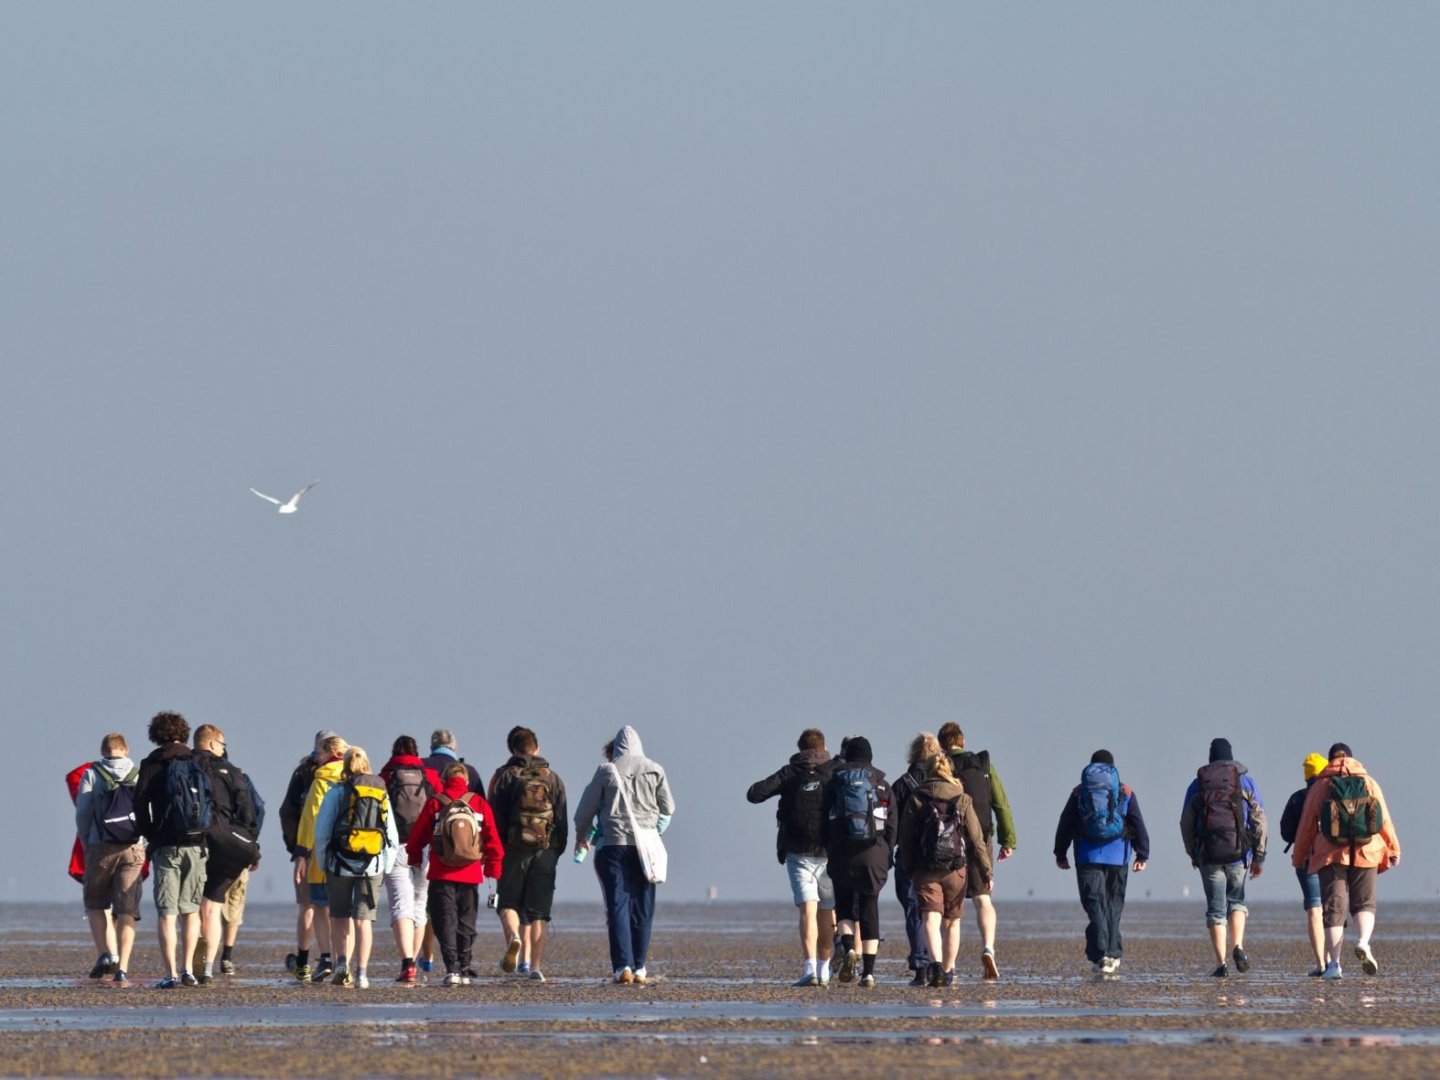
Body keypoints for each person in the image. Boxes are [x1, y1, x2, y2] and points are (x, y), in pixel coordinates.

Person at [573, 725, 676, 985]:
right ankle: (640, 967)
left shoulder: (606, 771)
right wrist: (655, 830)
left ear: (616, 747)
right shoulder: (655, 769)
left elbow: (584, 811)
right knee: (643, 906)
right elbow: (669, 808)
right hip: (646, 847)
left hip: (613, 846)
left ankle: (623, 968)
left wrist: (581, 836)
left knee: (617, 906)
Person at [1290, 742, 1401, 980]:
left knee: (1333, 910)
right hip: (1367, 850)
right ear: (1352, 758)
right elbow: (1384, 820)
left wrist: (1299, 856)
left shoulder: (1322, 785)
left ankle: (1334, 966)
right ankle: (1363, 942)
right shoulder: (1369, 782)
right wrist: (1393, 849)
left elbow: (1307, 824)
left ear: (1329, 761)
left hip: (1330, 853)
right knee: (1364, 904)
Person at [746, 728, 837, 987]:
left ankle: (809, 968)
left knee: (807, 909)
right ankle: (825, 968)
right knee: (828, 910)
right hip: (829, 851)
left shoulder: (790, 772)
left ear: (800, 749)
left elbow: (755, 794)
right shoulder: (833, 772)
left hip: (798, 852)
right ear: (823, 747)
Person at [898, 746, 990, 988]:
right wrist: (986, 871)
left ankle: (935, 964)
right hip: (956, 869)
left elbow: (906, 837)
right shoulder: (962, 797)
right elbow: (977, 839)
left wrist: (909, 866)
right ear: (949, 770)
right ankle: (948, 973)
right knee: (952, 922)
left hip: (925, 868)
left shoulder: (917, 796)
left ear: (928, 771)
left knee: (930, 917)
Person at [405, 762, 505, 986]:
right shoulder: (478, 803)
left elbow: (416, 838)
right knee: (466, 921)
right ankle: (466, 967)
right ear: (466, 781)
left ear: (444, 780)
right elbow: (493, 840)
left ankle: (452, 969)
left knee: (445, 921)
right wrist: (492, 869)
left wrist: (414, 859)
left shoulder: (435, 802)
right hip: (470, 874)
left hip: (441, 873)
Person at [1053, 750, 1150, 975]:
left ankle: (1101, 954)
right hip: (1119, 857)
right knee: (1114, 905)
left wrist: (1060, 853)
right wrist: (1142, 854)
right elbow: (1138, 822)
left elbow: (1065, 822)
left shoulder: (1079, 793)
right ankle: (1112, 953)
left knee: (1094, 904)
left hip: (1087, 856)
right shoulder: (1125, 792)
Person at [134, 711, 211, 989]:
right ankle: (188, 969)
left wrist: (150, 835)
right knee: (191, 910)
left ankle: (170, 974)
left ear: (155, 734)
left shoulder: (152, 763)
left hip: (166, 845)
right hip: (197, 844)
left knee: (167, 912)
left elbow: (140, 805)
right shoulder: (198, 760)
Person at [1180, 737, 1267, 977]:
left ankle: (1222, 965)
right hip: (1239, 853)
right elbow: (1260, 819)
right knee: (1237, 902)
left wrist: (1192, 852)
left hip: (1209, 854)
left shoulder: (1197, 785)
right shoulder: (1246, 782)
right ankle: (1238, 946)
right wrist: (1259, 855)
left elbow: (1185, 822)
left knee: (1216, 910)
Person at [314, 746, 400, 988]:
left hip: (339, 864)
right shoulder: (380, 792)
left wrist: (323, 863)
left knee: (339, 916)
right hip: (371, 865)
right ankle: (362, 974)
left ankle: (342, 964)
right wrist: (384, 865)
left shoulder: (336, 793)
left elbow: (321, 834)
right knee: (364, 920)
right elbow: (392, 835)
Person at [488, 726, 568, 982]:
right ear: (537, 747)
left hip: (512, 851)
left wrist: (496, 850)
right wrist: (556, 850)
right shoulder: (552, 778)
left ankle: (514, 938)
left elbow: (493, 817)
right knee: (539, 913)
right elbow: (562, 817)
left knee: (507, 903)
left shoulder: (503, 776)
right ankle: (535, 967)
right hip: (545, 851)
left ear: (512, 750)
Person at [938, 722, 1015, 979]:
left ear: (942, 744)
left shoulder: (941, 767)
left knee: (953, 906)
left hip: (950, 840)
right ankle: (988, 948)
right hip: (982, 838)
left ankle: (950, 965)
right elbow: (1001, 805)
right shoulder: (983, 766)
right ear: (963, 741)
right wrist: (1008, 840)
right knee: (983, 898)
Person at [822, 736, 895, 988]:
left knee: (844, 908)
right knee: (869, 909)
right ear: (870, 756)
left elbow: (824, 819)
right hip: (873, 854)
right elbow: (891, 825)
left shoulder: (835, 782)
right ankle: (869, 974)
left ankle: (849, 949)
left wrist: (828, 847)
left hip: (842, 853)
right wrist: (887, 853)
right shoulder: (882, 784)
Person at [191, 724, 261, 984]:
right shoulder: (231, 772)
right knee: (212, 907)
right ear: (211, 744)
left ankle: (188, 965)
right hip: (223, 845)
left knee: (189, 909)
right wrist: (251, 846)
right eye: (222, 745)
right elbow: (248, 811)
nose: (223, 749)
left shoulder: (181, 766)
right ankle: (207, 967)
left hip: (188, 842)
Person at [73, 733, 145, 985]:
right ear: (125, 749)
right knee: (127, 909)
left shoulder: (92, 774)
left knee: (95, 903)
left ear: (103, 751)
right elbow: (148, 811)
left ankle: (105, 952)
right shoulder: (138, 774)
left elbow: (83, 812)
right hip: (133, 847)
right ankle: (122, 967)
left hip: (99, 845)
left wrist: (86, 841)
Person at [379, 736, 441, 984]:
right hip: (426, 848)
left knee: (399, 904)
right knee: (419, 904)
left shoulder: (385, 776)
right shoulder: (431, 777)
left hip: (396, 847)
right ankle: (413, 962)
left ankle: (407, 964)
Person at [294, 734, 349, 982]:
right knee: (344, 912)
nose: (316, 757)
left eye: (318, 752)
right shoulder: (352, 778)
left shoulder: (321, 780)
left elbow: (309, 820)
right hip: (350, 853)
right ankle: (344, 963)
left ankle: (326, 957)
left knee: (320, 906)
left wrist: (302, 854)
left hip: (322, 854)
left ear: (327, 753)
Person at [280, 731, 334, 980]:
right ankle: (336, 959)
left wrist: (297, 849)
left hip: (309, 849)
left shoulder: (304, 772)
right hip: (342, 851)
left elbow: (287, 811)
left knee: (308, 906)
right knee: (335, 909)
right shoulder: (348, 771)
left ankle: (302, 961)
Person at [889, 734, 938, 986]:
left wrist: (888, 852)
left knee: (913, 911)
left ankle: (921, 965)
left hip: (907, 858)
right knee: (936, 912)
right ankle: (940, 964)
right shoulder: (943, 783)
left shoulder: (900, 785)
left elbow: (891, 825)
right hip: (939, 858)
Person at [1279, 752, 1330, 976]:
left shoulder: (1297, 798)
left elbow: (1285, 831)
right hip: (1331, 859)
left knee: (1314, 909)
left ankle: (1321, 964)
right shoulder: (1332, 794)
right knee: (1332, 909)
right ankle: (1333, 960)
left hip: (1306, 861)